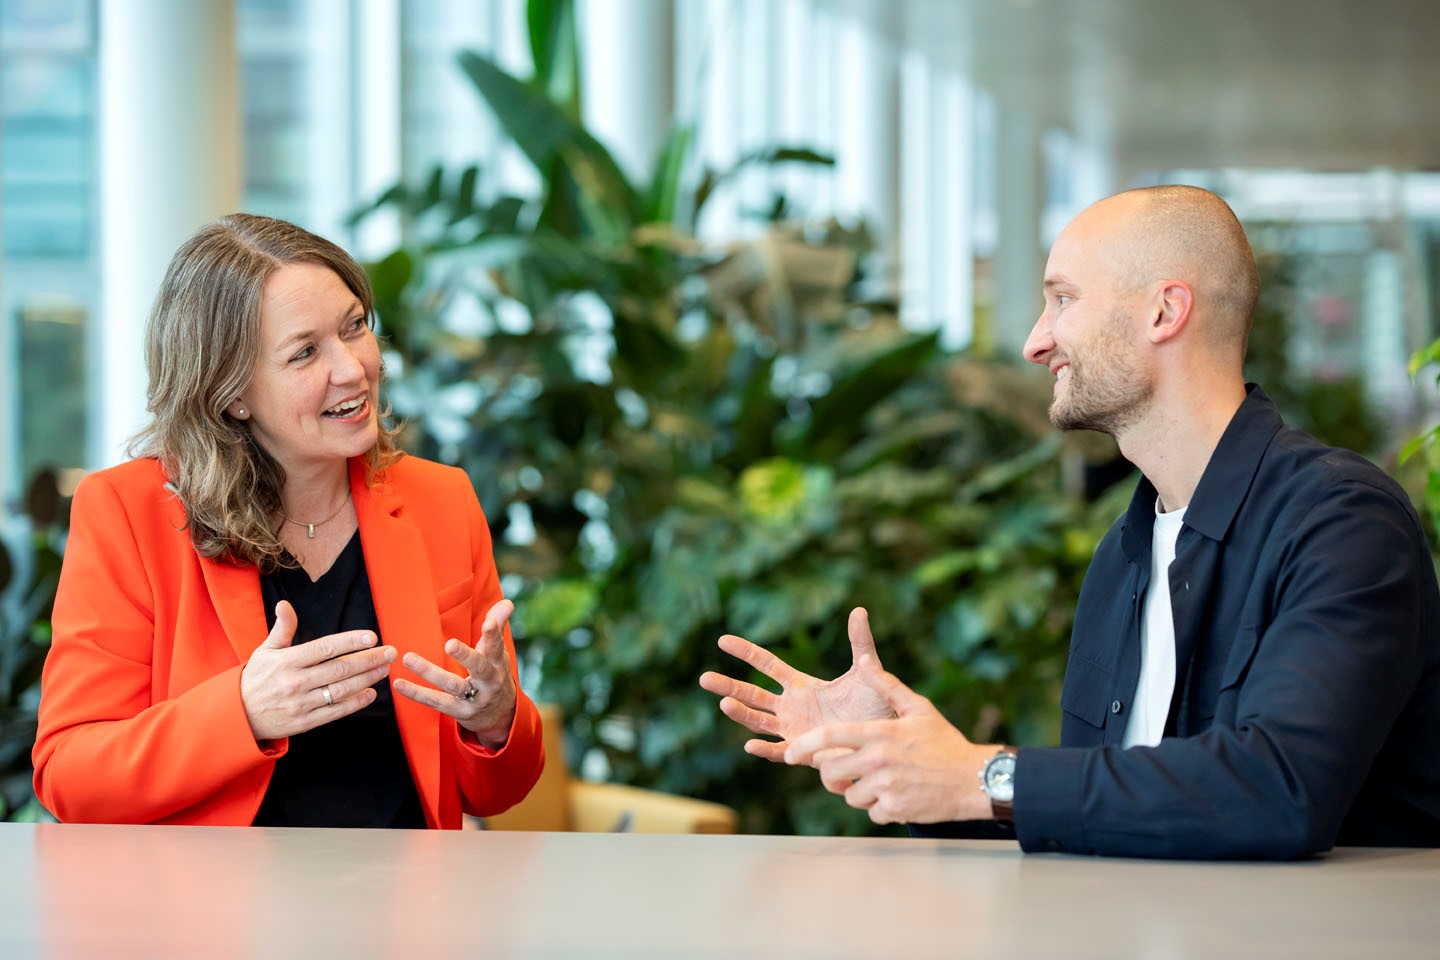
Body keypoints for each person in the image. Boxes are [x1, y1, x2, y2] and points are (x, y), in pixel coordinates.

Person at [700, 185, 1440, 859]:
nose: (1035, 341)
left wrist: (982, 775)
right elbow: (1121, 809)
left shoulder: (1341, 522)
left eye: (1062, 299)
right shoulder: (1125, 556)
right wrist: (912, 764)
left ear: (1164, 311)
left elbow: (1280, 792)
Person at [32, 214, 544, 827]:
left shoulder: (441, 498)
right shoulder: (128, 512)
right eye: (305, 353)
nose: (353, 368)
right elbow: (70, 775)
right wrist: (243, 712)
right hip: (211, 914)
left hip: (406, 908)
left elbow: (495, 791)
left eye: (355, 327)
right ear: (231, 393)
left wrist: (496, 721)